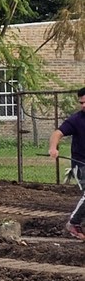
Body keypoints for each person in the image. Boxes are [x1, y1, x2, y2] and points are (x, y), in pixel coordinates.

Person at [47, 86, 85, 240]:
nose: (83, 106)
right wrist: (53, 148)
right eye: (81, 103)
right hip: (80, 164)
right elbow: (57, 133)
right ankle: (73, 223)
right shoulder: (76, 120)